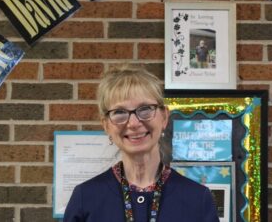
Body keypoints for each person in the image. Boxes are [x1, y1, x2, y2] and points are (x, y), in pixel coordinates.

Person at [63, 64, 219, 222]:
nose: (133, 123)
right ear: (106, 125)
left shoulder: (198, 199)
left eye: (145, 109)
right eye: (119, 112)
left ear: (164, 117)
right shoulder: (85, 198)